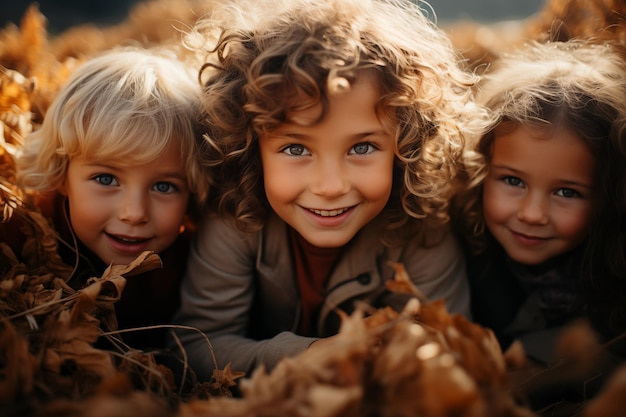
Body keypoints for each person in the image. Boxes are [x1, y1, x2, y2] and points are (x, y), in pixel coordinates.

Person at [172, 0, 490, 380]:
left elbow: (453, 351)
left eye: (362, 148)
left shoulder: (422, 228)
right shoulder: (234, 220)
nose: (330, 186)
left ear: (405, 146)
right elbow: (196, 346)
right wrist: (301, 356)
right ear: (251, 147)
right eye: (295, 149)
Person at [451, 40, 626, 411]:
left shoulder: (613, 275)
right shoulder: (461, 248)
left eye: (567, 191)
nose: (532, 214)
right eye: (513, 181)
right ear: (481, 170)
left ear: (609, 198)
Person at [11, 46, 211, 350]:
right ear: (62, 175)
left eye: (164, 187)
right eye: (106, 179)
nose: (134, 213)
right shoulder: (23, 243)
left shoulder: (193, 268)